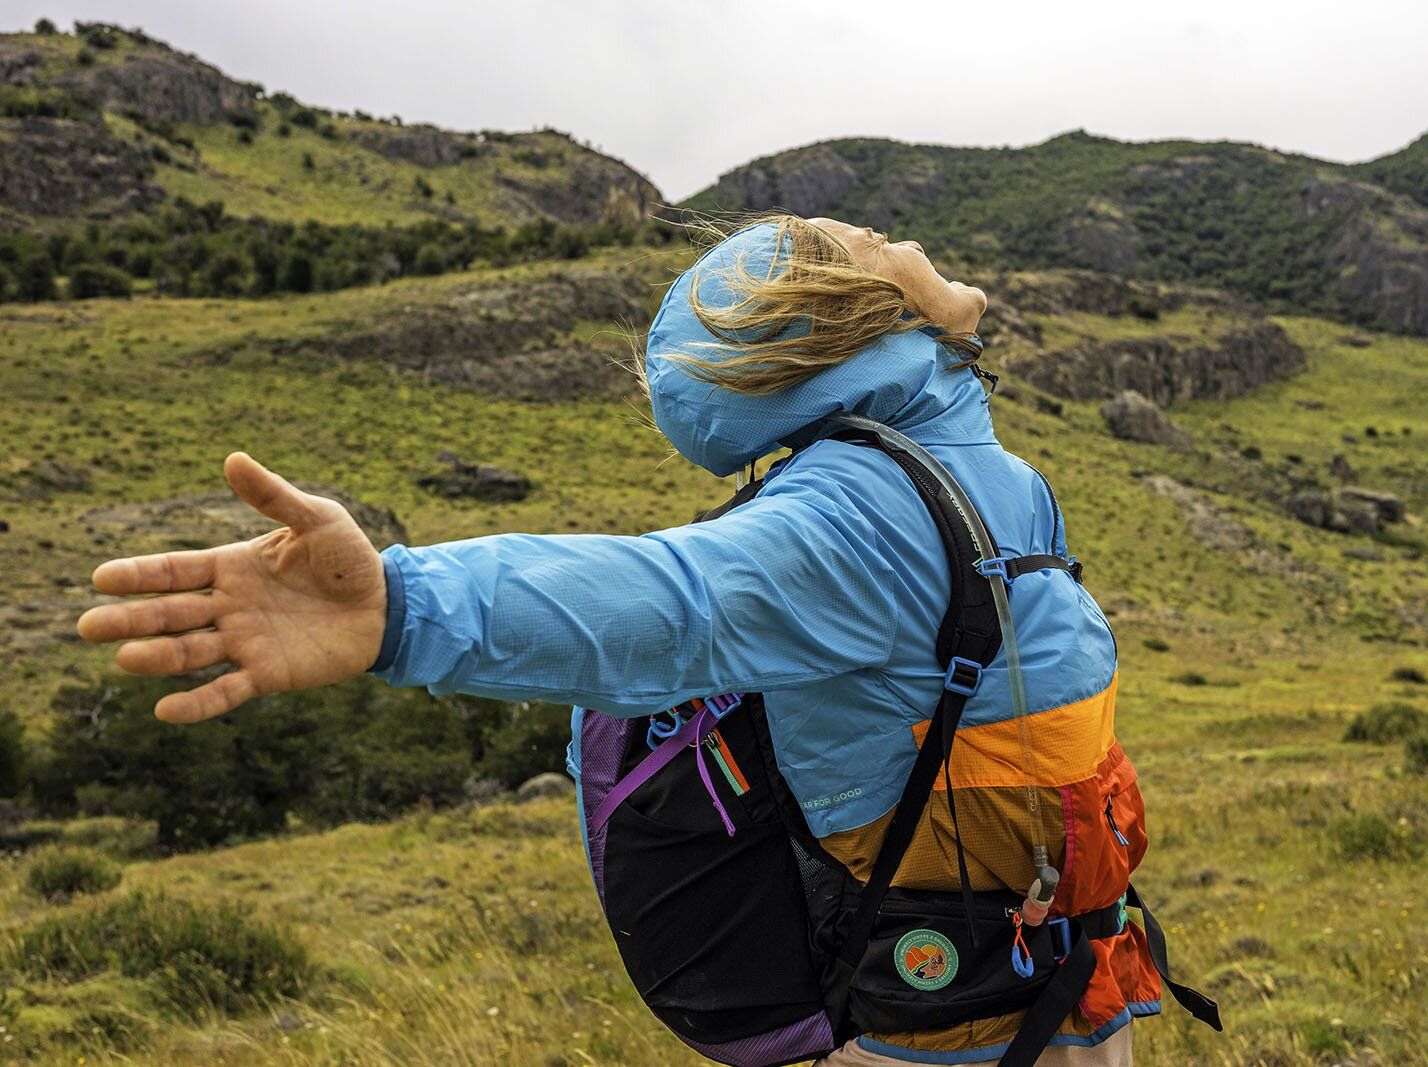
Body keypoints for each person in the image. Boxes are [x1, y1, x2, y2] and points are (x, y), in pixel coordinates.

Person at [77, 215, 1158, 1065]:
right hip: (954, 1038)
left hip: (1046, 995)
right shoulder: (862, 510)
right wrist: (406, 609)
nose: (898, 241)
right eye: (867, 249)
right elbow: (669, 599)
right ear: (854, 314)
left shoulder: (961, 460)